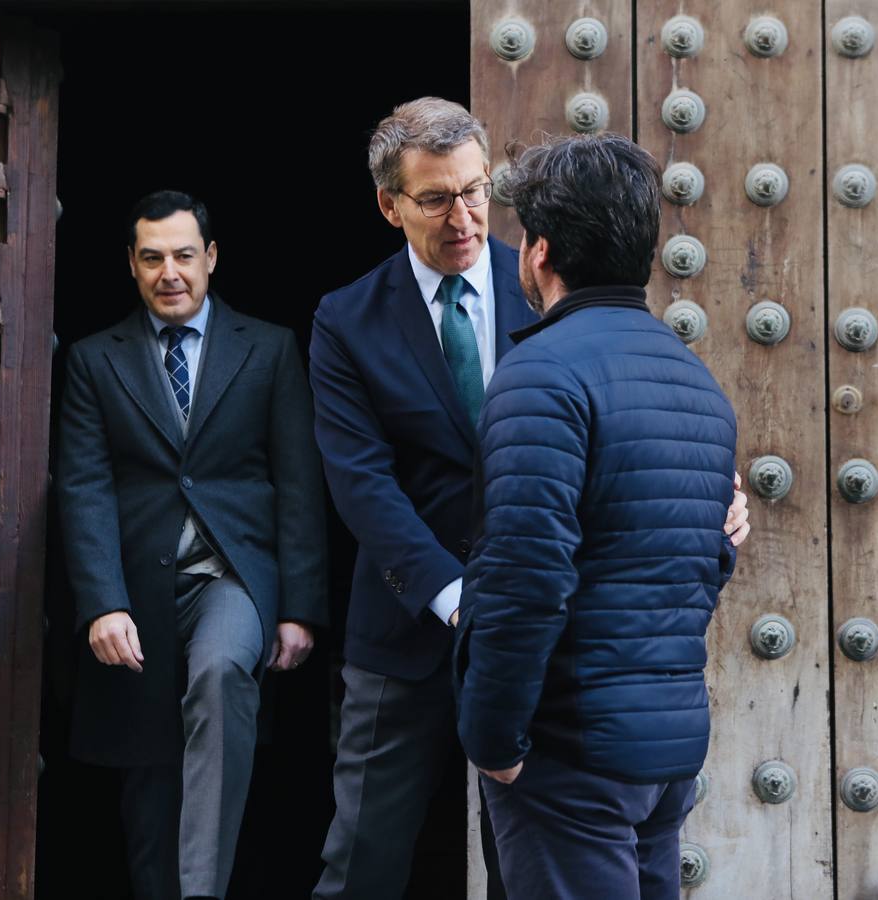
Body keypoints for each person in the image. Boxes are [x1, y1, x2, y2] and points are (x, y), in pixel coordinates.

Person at [308, 99, 748, 898]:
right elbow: (360, 481)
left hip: (549, 654)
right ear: (390, 205)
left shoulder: (549, 286)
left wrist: (712, 505)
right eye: (437, 198)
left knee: (528, 866)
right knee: (364, 860)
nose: (465, 216)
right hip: (411, 626)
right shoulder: (346, 319)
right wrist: (453, 597)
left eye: (477, 191)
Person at [455, 133, 738, 900]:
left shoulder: (540, 373)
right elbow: (706, 561)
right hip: (664, 748)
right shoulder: (696, 382)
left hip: (568, 749)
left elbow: (525, 574)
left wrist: (495, 739)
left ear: (537, 252)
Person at [56, 190, 327, 900]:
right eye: (152, 258)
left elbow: (299, 483)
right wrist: (102, 605)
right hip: (137, 592)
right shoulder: (92, 359)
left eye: (183, 255)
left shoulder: (268, 349)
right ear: (132, 265)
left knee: (217, 674)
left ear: (210, 258)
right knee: (148, 795)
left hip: (232, 579)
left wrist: (300, 608)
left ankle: (202, 891)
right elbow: (84, 488)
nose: (168, 272)